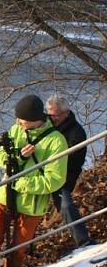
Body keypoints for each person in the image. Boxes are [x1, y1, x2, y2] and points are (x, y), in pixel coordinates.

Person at [0, 95, 68, 267]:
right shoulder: (16, 129)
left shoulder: (56, 141)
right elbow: (0, 157)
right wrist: (18, 156)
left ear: (36, 118)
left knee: (17, 250)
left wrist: (19, 182)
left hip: (31, 206)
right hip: (4, 197)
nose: (19, 123)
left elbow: (54, 180)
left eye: (22, 119)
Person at [46, 94, 94, 248]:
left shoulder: (77, 132)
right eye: (49, 115)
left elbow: (71, 158)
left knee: (65, 205)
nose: (51, 119)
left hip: (66, 175)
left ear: (66, 113)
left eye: (55, 116)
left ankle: (84, 241)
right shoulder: (47, 124)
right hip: (45, 174)